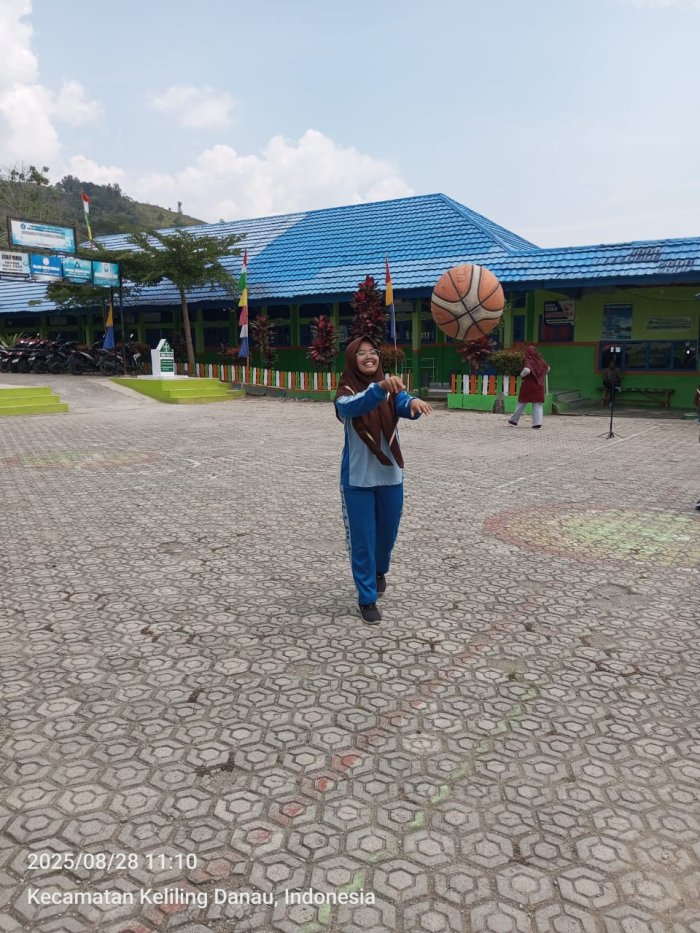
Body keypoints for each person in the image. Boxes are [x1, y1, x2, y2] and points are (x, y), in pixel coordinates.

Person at [334, 336, 432, 624]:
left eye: (372, 352)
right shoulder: (345, 391)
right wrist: (378, 389)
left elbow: (401, 401)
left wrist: (412, 401)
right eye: (361, 353)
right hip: (358, 481)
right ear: (352, 360)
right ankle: (366, 599)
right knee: (363, 540)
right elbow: (352, 407)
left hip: (391, 477)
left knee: (386, 536)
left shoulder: (391, 389)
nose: (368, 357)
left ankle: (379, 570)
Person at [507, 345, 550, 429]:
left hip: (528, 386)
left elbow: (527, 370)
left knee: (521, 403)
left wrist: (521, 374)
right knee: (537, 404)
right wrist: (541, 375)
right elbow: (548, 368)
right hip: (539, 386)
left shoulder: (528, 360)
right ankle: (537, 424)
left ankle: (513, 421)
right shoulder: (540, 360)